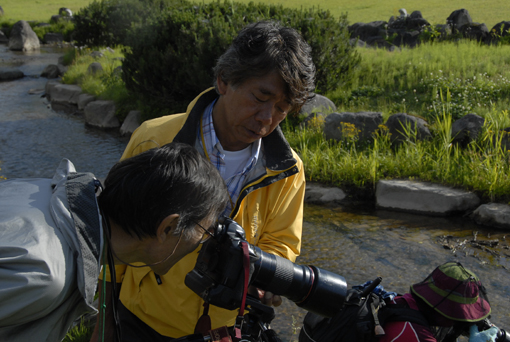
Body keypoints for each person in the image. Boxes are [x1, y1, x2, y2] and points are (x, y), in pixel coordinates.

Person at [94, 20, 316, 341]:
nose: (267, 118)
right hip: (141, 321)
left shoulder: (287, 169)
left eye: (283, 109)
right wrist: (105, 324)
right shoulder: (155, 140)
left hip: (224, 330)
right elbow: (112, 239)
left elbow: (282, 243)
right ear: (224, 80)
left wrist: (267, 278)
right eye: (260, 97)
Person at [0, 142, 228, 342]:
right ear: (167, 227)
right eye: (204, 230)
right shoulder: (44, 275)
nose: (202, 242)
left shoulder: (45, 190)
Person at [378, 261, 498, 342]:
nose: (462, 320)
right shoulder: (419, 336)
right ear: (445, 308)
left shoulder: (403, 302)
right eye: (461, 313)